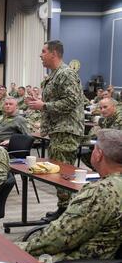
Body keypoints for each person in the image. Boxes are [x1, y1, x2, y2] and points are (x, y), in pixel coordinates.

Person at [21, 129, 122, 263]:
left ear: (98, 155)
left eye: (94, 149)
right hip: (101, 262)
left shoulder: (101, 192)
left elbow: (58, 238)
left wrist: (19, 248)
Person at [27, 40, 84, 221]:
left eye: (43, 51)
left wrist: (43, 105)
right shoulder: (55, 75)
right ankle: (63, 209)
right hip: (58, 129)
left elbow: (71, 101)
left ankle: (67, 214)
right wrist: (39, 100)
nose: (40, 55)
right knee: (59, 172)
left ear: (54, 53)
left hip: (66, 130)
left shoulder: (66, 74)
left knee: (64, 173)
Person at [81, 98, 122, 169]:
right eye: (100, 108)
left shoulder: (119, 117)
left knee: (96, 156)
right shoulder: (108, 117)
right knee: (86, 155)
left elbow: (113, 137)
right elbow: (99, 132)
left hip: (118, 150)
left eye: (105, 107)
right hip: (114, 147)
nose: (102, 110)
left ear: (114, 106)